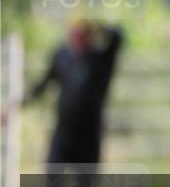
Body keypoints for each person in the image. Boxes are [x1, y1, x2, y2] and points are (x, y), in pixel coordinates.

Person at [20, 19, 124, 170]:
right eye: (75, 34)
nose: (78, 40)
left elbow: (118, 36)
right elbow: (43, 85)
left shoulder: (101, 60)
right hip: (63, 134)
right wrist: (18, 105)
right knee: (52, 184)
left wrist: (99, 25)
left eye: (83, 35)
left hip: (89, 137)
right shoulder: (62, 57)